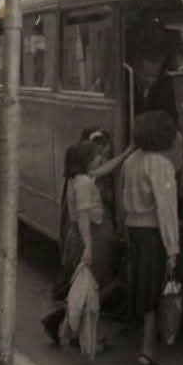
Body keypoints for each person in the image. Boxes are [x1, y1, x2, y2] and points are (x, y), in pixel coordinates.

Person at [42, 136, 129, 346]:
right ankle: (70, 330)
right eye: (95, 155)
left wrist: (127, 153)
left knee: (86, 287)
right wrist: (88, 247)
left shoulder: (80, 178)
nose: (100, 158)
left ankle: (66, 328)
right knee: (92, 287)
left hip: (87, 236)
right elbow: (83, 216)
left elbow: (106, 169)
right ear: (86, 160)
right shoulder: (83, 183)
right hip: (93, 237)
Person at [121, 110, 180, 365]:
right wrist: (172, 248)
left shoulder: (130, 162)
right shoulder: (161, 165)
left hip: (133, 230)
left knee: (142, 286)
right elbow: (166, 210)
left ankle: (144, 346)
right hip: (153, 233)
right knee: (154, 291)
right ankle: (146, 352)